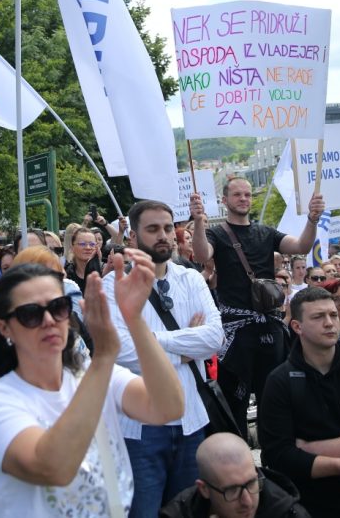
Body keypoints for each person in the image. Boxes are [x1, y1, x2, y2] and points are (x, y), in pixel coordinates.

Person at [0, 257, 184, 517]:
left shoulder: (95, 376)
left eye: (58, 307)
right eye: (30, 314)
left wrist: (135, 320)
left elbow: (169, 407)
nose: (49, 320)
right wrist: (104, 355)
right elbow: (53, 467)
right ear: (4, 328)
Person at [107, 201, 224, 518]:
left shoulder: (192, 279)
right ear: (133, 236)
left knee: (189, 512)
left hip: (191, 423)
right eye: (153, 228)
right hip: (139, 430)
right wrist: (187, 348)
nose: (163, 235)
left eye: (168, 228)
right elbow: (122, 352)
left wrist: (150, 339)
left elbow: (215, 338)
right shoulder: (111, 286)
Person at [190, 178, 324, 434]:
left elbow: (301, 246)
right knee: (235, 401)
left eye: (248, 194)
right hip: (236, 333)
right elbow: (201, 255)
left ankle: (276, 460)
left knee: (274, 398)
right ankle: (238, 462)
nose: (244, 199)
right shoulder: (216, 233)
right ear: (225, 200)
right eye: (237, 194)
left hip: (269, 328)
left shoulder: (266, 232)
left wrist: (312, 220)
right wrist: (197, 221)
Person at [259, 288, 340, 518]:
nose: (330, 323)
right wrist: (336, 465)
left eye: (332, 315)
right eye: (318, 317)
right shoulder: (279, 381)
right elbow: (277, 455)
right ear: (297, 327)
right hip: (307, 508)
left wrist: (308, 449)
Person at [159, 432, 309, 518]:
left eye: (251, 483)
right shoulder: (177, 514)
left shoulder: (287, 513)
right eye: (233, 490)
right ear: (204, 489)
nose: (247, 501)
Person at [64, 225, 103, 293]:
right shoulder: (66, 275)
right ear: (72, 247)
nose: (88, 248)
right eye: (82, 244)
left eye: (92, 244)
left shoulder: (104, 271)